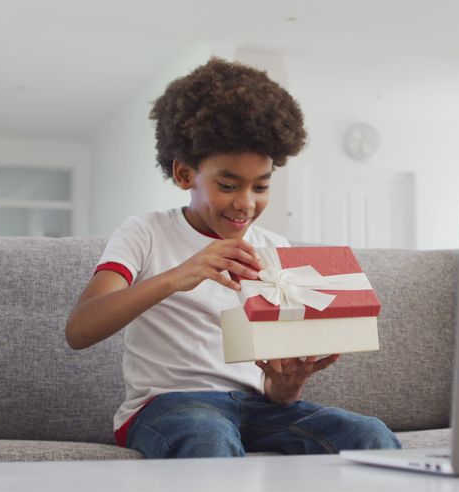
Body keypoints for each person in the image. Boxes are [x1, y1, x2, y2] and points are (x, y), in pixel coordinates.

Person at [65, 58, 401, 459]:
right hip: (172, 406)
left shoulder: (275, 249)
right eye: (228, 185)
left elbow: (277, 393)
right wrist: (179, 275)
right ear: (185, 174)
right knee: (206, 432)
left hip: (257, 409)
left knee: (368, 434)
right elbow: (80, 330)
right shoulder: (145, 233)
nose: (246, 203)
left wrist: (288, 384)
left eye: (261, 186)